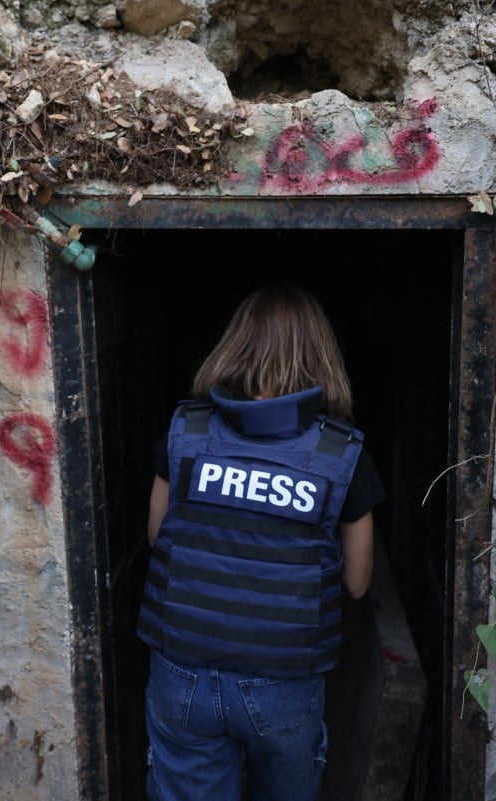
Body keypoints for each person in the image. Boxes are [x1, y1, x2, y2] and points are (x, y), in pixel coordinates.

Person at [136, 282, 386, 801]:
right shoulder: (341, 453)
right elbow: (358, 584)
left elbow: (159, 536)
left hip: (182, 670)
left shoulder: (187, 431)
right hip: (283, 681)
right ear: (321, 357)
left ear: (234, 346)